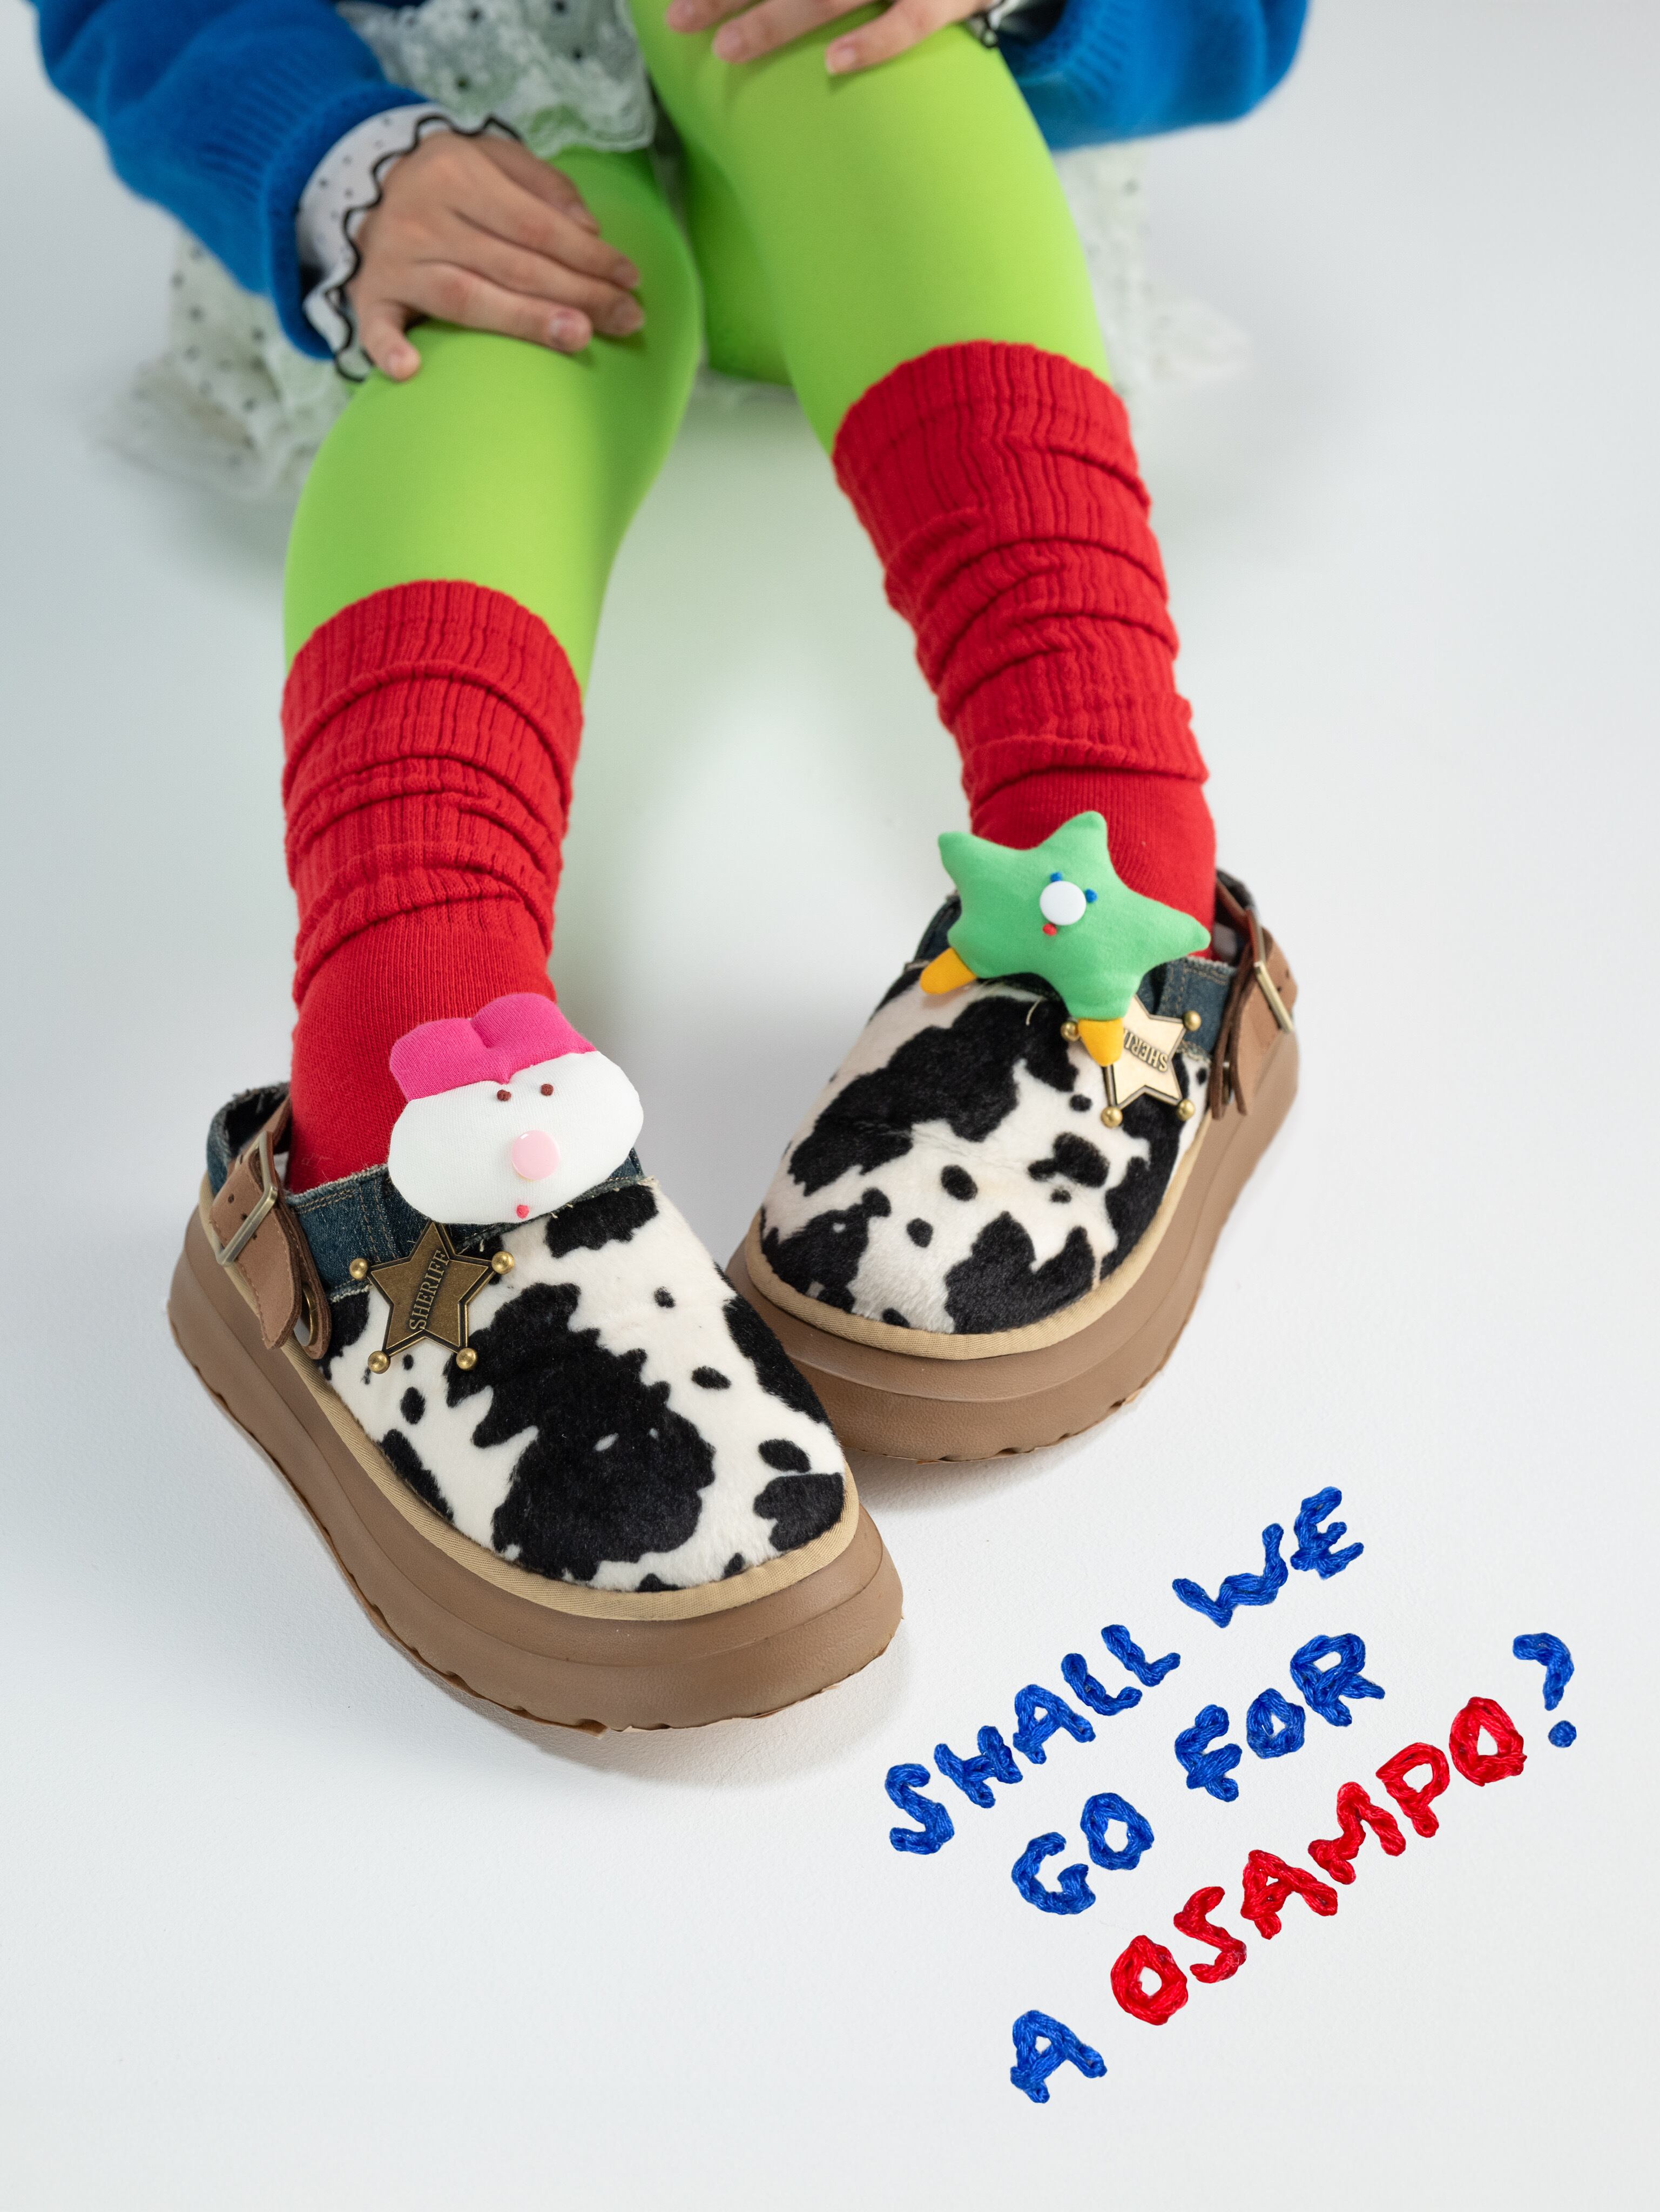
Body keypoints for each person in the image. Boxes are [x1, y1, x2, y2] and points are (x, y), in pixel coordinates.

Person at [32, 0, 1305, 1727]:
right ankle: (409, 1050)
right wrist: (330, 160)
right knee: (509, 298)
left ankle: (1109, 824)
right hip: (454, 173)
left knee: (834, 35)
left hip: (867, 212)